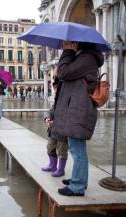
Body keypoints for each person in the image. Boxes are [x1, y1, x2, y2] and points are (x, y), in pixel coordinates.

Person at [51, 41, 104, 196]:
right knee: (76, 148)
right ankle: (79, 179)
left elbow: (63, 72)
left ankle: (77, 186)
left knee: (77, 149)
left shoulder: (87, 58)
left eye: (72, 42)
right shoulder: (83, 57)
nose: (69, 43)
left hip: (79, 110)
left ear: (80, 42)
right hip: (76, 109)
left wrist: (67, 51)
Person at [41, 76, 68, 177]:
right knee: (50, 147)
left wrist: (54, 122)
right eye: (54, 89)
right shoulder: (56, 101)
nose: (55, 91)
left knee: (62, 151)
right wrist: (47, 118)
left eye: (56, 89)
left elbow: (67, 116)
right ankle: (52, 166)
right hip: (53, 130)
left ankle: (61, 170)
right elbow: (50, 111)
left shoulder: (67, 101)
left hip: (63, 131)